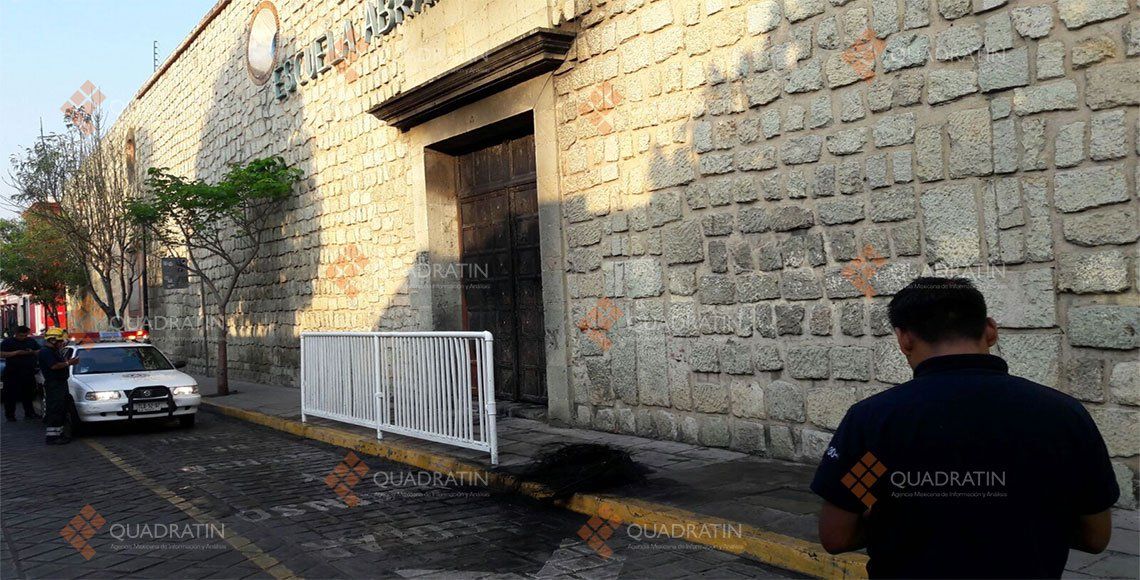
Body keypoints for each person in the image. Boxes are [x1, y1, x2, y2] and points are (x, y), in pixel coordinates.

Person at [811, 277, 1118, 578]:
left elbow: (837, 535)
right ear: (990, 330)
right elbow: (1096, 537)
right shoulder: (1064, 416)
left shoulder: (875, 424)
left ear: (904, 339)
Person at [38, 328, 78, 445]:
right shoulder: (46, 352)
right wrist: (68, 363)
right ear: (52, 340)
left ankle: (59, 434)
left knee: (61, 409)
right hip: (54, 384)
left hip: (60, 384)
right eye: (59, 341)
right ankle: (52, 438)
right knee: (55, 409)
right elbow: (54, 366)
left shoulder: (54, 351)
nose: (61, 343)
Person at [1, 325, 42, 421]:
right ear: (16, 334)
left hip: (28, 372)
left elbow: (39, 350)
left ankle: (29, 413)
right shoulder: (8, 342)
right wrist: (16, 353)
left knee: (28, 394)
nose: (23, 337)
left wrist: (32, 352)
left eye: (25, 335)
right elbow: (2, 353)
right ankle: (10, 415)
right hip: (12, 372)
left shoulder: (31, 341)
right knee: (10, 395)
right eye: (21, 335)